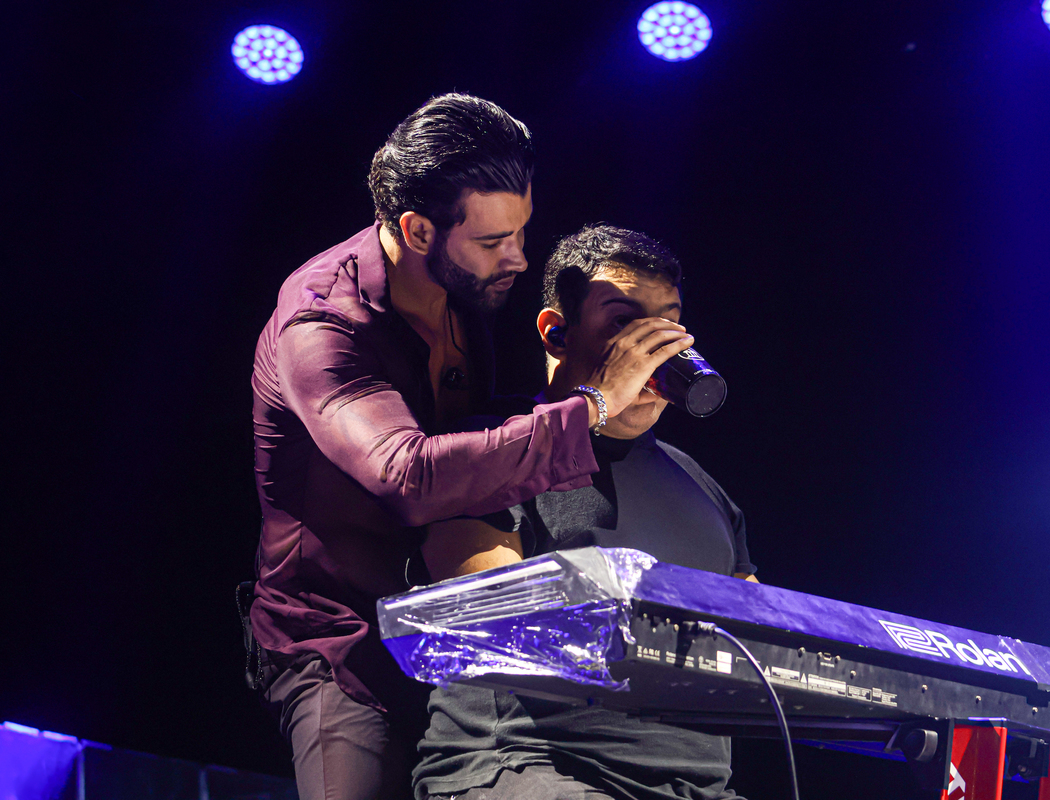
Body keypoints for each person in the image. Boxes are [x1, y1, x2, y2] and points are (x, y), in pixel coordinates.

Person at [250, 96, 695, 800]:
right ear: (417, 229)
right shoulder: (322, 323)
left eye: (521, 231)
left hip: (452, 617)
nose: (517, 257)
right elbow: (409, 476)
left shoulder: (465, 292)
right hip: (344, 635)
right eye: (493, 241)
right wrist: (596, 404)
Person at [416, 224, 758, 800]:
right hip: (528, 765)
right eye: (625, 324)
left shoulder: (704, 487)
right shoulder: (487, 449)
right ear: (557, 333)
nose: (652, 349)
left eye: (667, 326)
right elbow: (487, 618)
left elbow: (759, 650)